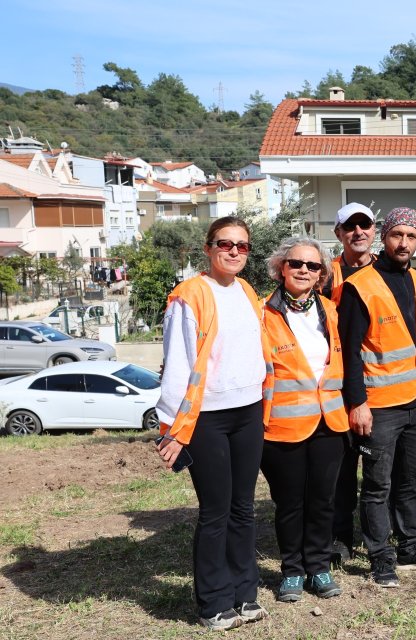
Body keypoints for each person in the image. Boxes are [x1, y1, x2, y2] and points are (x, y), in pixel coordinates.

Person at [154, 216, 270, 630]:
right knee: (216, 511)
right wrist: (172, 428)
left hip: (248, 410)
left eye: (242, 246)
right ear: (208, 248)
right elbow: (177, 365)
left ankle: (244, 594)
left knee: (243, 508)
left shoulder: (246, 291)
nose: (234, 251)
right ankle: (214, 603)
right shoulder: (189, 296)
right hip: (207, 418)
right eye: (225, 244)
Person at [337, 207, 416, 588]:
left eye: (411, 236)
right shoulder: (359, 286)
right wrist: (358, 403)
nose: (404, 243)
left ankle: (410, 547)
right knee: (377, 485)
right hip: (379, 405)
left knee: (415, 479)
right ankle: (380, 557)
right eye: (397, 235)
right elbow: (349, 352)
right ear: (384, 237)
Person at [260, 237, 349, 603]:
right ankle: (292, 570)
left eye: (312, 266)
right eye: (296, 263)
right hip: (284, 426)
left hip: (329, 422)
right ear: (281, 268)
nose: (303, 270)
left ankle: (319, 566)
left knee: (323, 500)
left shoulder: (331, 310)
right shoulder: (262, 313)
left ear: (321, 275)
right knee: (290, 503)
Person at [324, 202, 377, 566]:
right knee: (341, 469)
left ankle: (385, 531)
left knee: (382, 468)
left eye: (365, 225)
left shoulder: (388, 271)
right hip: (336, 387)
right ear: (339, 233)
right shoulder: (326, 274)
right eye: (350, 227)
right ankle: (340, 536)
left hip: (380, 387)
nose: (358, 232)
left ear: (374, 230)